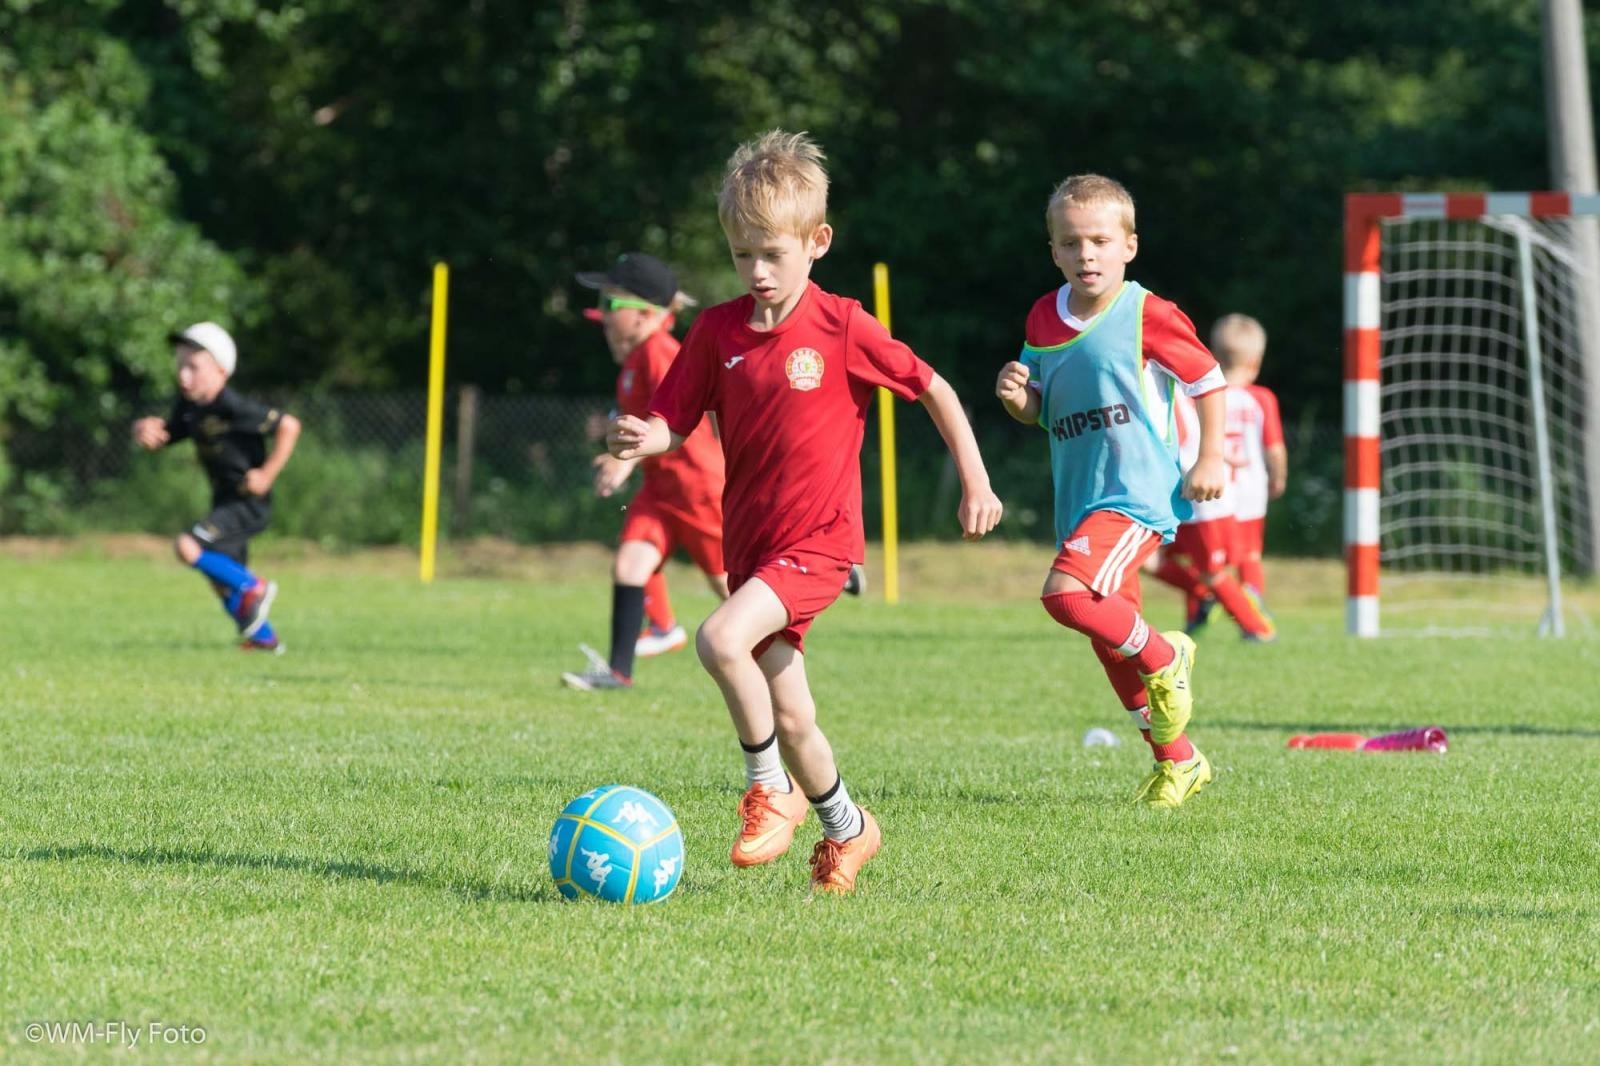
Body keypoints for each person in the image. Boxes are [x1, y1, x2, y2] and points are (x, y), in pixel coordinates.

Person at [608, 130, 1003, 893]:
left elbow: (935, 389)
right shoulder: (715, 334)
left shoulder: (843, 326)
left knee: (721, 637)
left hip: (819, 543)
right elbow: (674, 422)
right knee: (794, 718)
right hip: (750, 549)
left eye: (772, 254)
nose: (756, 272)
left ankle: (771, 791)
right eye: (740, 255)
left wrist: (975, 481)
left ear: (817, 242)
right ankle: (849, 829)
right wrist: (643, 436)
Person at [995, 173, 1224, 809]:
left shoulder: (1148, 313)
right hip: (1080, 499)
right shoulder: (1043, 316)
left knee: (1065, 597)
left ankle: (1166, 653)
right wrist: (1019, 397)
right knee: (1107, 641)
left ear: (1129, 246)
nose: (1086, 254)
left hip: (1136, 494)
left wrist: (1211, 455)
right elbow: (1042, 407)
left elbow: (1209, 381)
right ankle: (1179, 762)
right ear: (1054, 251)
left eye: (1099, 240)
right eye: (1071, 243)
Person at [561, 253, 730, 691]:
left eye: (612, 305)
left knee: (731, 589)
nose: (603, 315)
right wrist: (614, 444)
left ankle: (780, 643)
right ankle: (619, 671)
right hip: (661, 487)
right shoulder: (637, 360)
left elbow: (668, 425)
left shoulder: (662, 354)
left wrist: (622, 461)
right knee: (630, 565)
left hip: (696, 486)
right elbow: (637, 420)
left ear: (645, 314)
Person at [132, 322, 300, 652]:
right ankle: (264, 639)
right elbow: (165, 435)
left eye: (193, 367)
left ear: (221, 370)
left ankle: (255, 586)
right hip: (223, 500)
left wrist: (266, 474)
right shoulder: (190, 408)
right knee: (219, 581)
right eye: (180, 366)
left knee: (187, 546)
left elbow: (290, 426)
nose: (183, 375)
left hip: (247, 501)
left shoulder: (233, 406)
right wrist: (144, 430)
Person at [1151, 388, 1276, 641]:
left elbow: (1184, 438)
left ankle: (1257, 629)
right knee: (1149, 558)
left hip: (1203, 505)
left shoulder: (1169, 395)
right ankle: (1205, 595)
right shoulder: (1169, 391)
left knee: (1213, 571)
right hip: (1178, 501)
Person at [1215, 314, 1287, 605]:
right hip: (1250, 489)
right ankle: (1252, 605)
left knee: (1211, 557)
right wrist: (1279, 477)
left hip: (1213, 490)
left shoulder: (1205, 396)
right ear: (1255, 361)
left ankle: (1201, 605)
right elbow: (1275, 448)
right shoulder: (1262, 398)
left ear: (1213, 356)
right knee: (1250, 553)